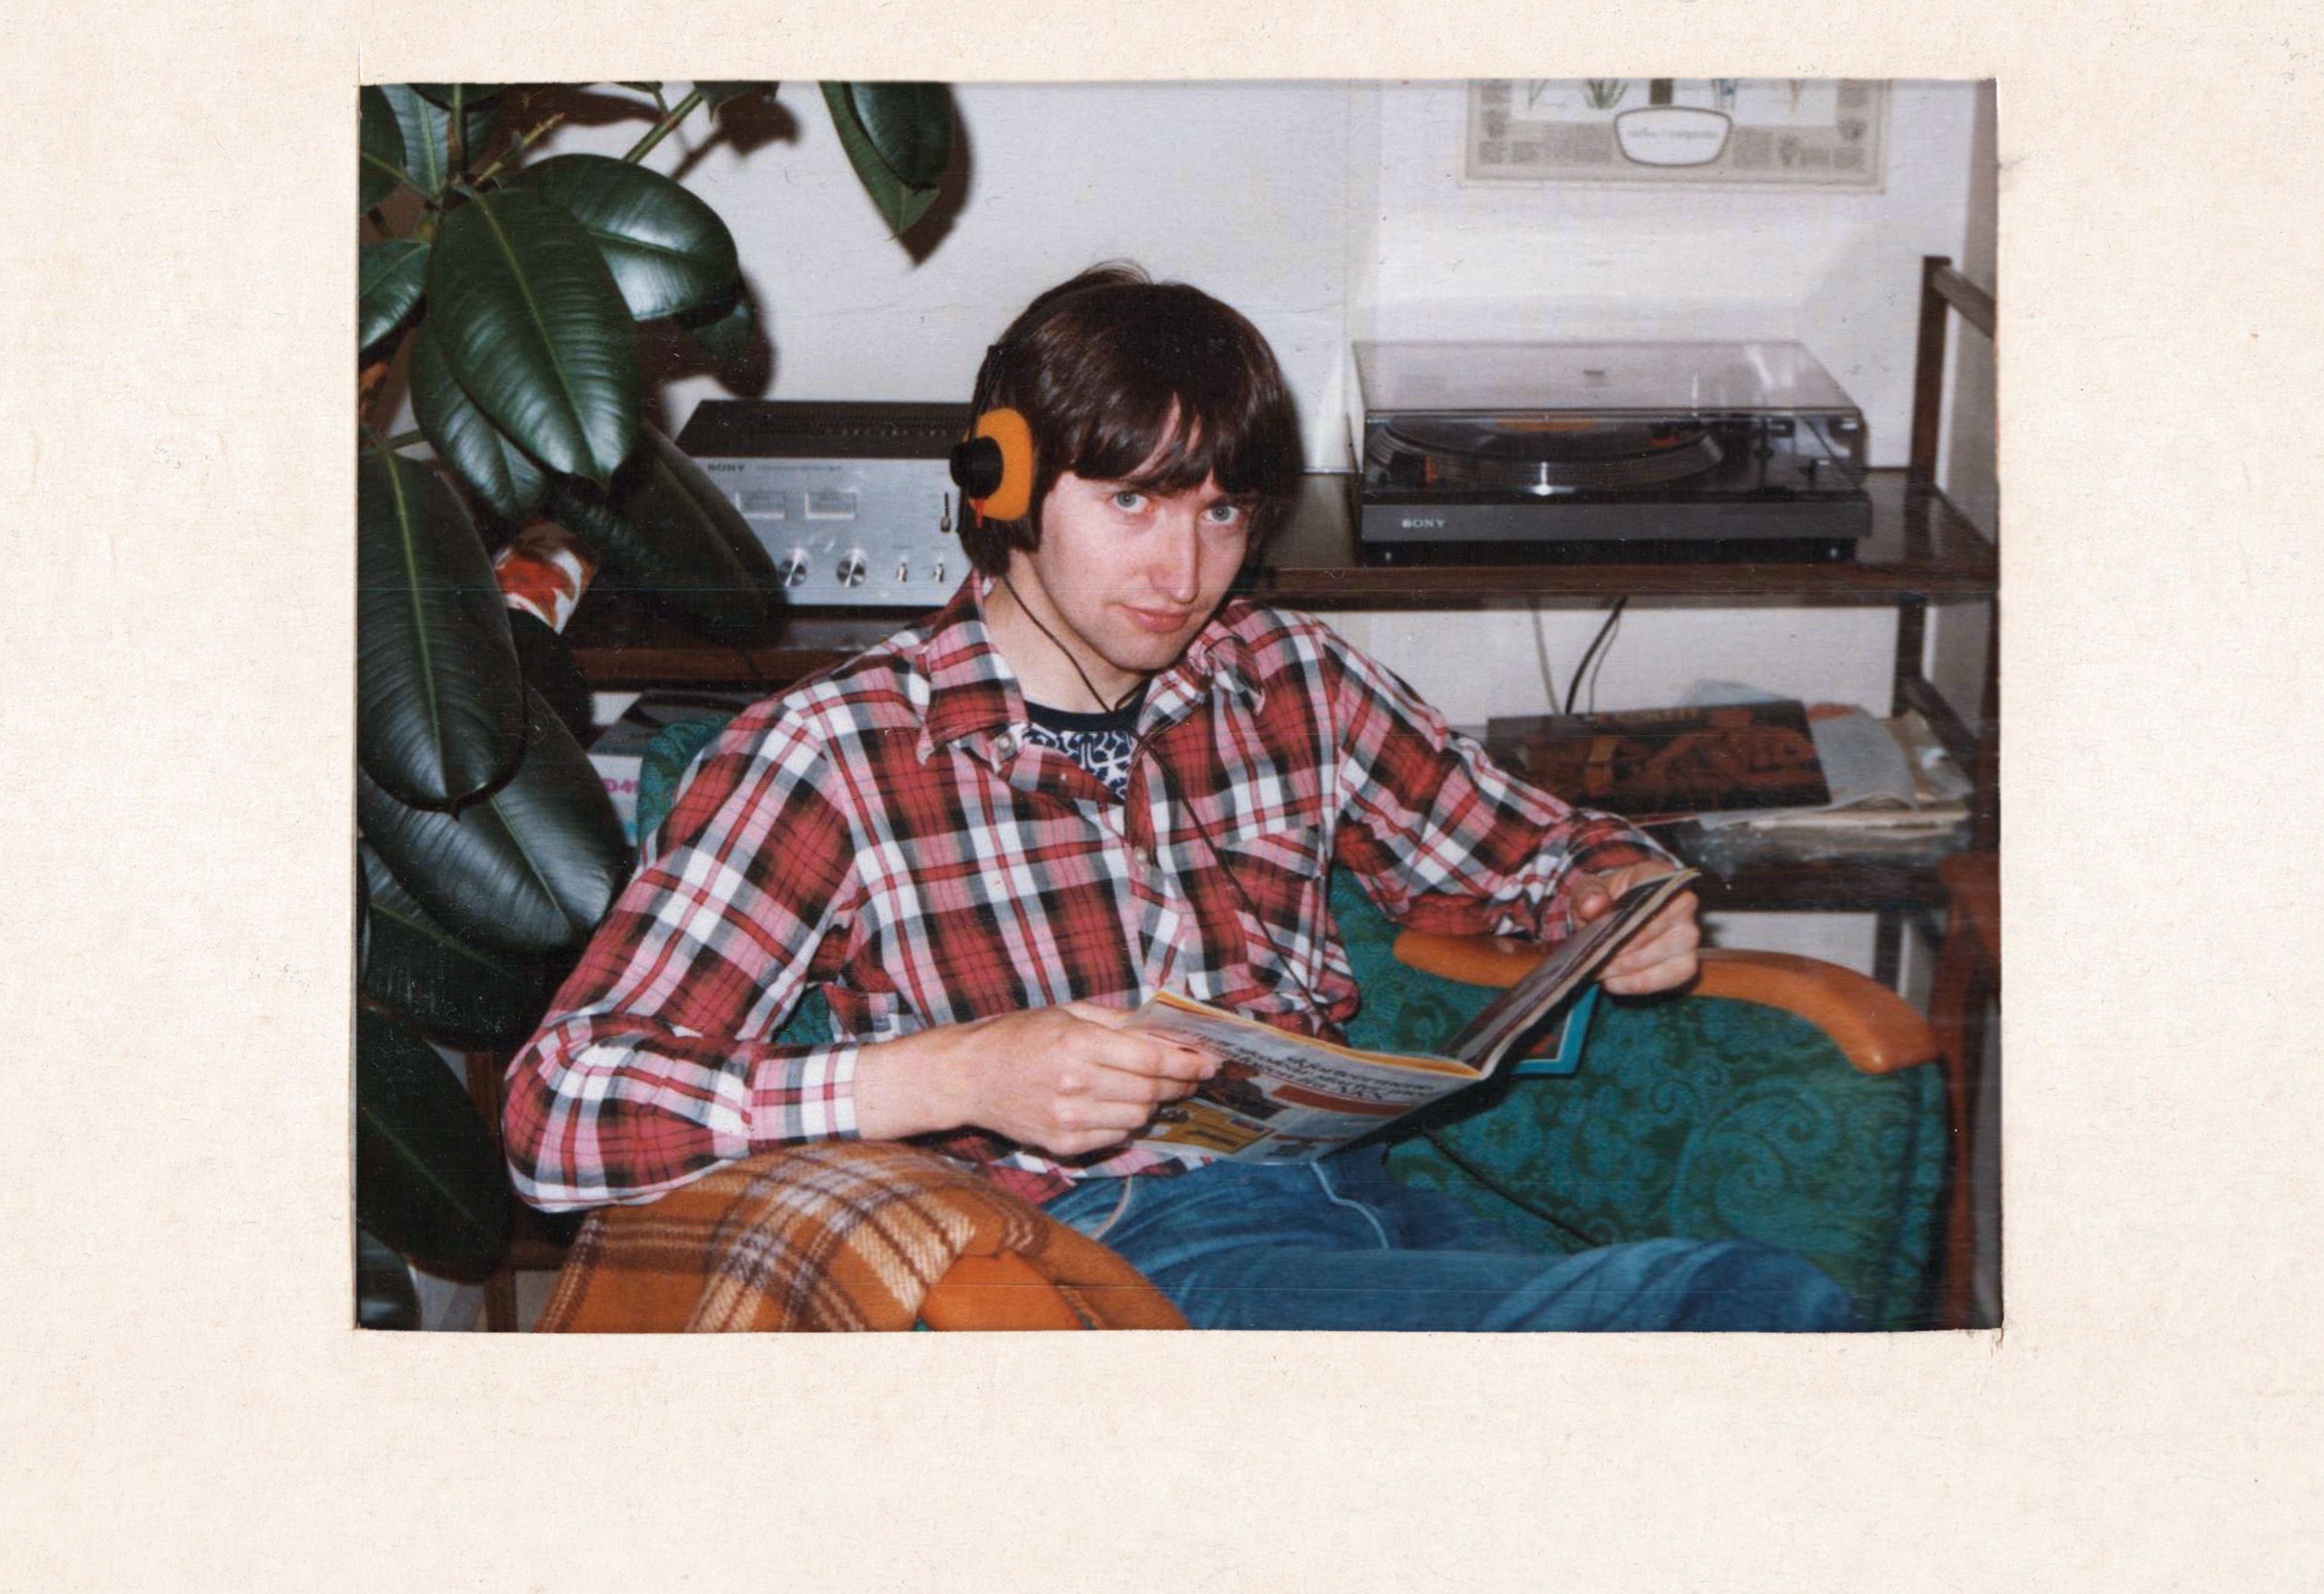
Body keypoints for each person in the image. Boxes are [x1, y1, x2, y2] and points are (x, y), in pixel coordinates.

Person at [501, 265, 1859, 1331]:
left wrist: (1612, 892)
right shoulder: (833, 753)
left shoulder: (1284, 673)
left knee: (1729, 1317)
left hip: (1361, 1203)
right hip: (1111, 1258)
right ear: (1004, 486)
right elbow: (560, 1106)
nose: (1184, 570)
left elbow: (1528, 844)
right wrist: (959, 1073)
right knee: (1740, 1311)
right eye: (1133, 503)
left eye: (1220, 512)